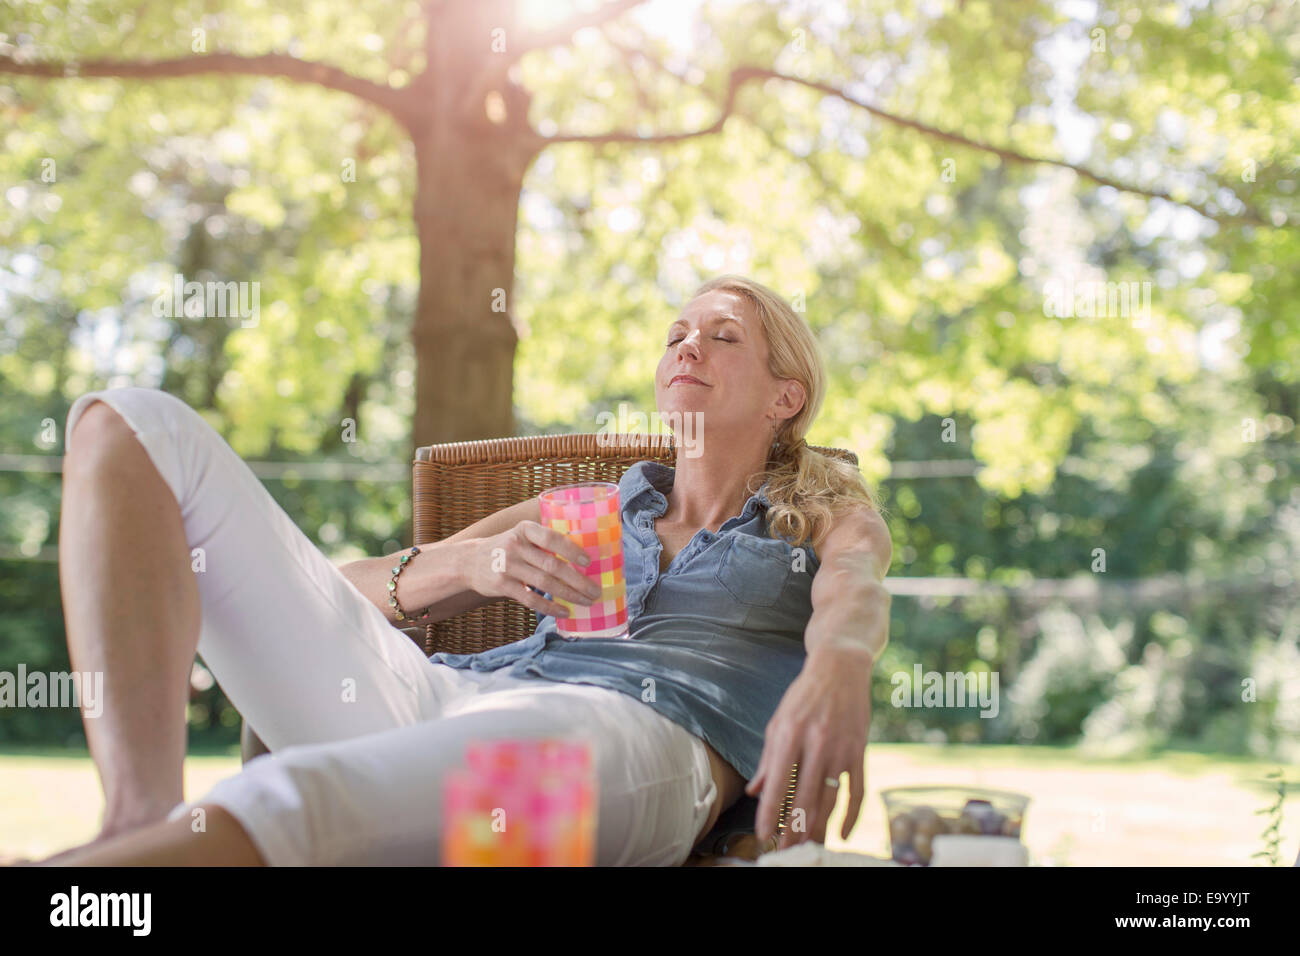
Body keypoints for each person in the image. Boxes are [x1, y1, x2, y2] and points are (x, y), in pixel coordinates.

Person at [32, 274, 891, 866]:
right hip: (442, 697)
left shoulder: (817, 514)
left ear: (787, 397)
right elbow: (338, 590)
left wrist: (840, 667)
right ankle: (135, 823)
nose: (687, 346)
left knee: (307, 803)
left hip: (627, 748)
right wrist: (469, 563)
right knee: (129, 421)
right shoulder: (595, 505)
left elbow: (856, 590)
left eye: (723, 335)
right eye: (676, 334)